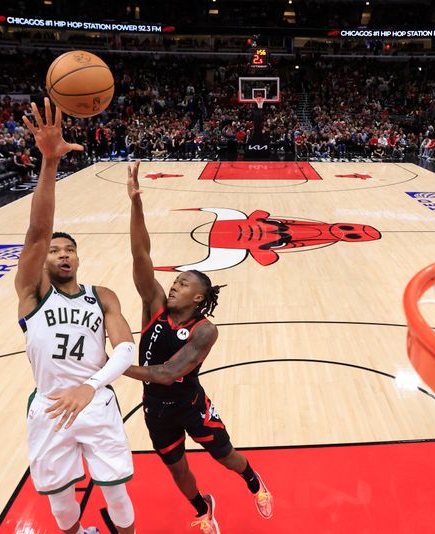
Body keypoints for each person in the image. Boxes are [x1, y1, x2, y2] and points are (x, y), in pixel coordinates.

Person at [123, 161, 274, 534]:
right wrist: (136, 204)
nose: (174, 284)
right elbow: (141, 255)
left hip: (192, 406)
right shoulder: (154, 306)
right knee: (178, 469)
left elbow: (168, 373)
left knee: (226, 458)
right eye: (176, 280)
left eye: (184, 282)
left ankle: (255, 481)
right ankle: (204, 507)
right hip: (156, 411)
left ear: (200, 296)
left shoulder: (206, 331)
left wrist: (113, 366)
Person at [14, 99, 137, 534]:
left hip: (97, 401)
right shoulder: (32, 295)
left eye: (69, 249)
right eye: (54, 250)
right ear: (43, 260)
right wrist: (49, 163)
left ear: (78, 257)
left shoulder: (101, 295)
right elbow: (37, 231)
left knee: (118, 495)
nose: (61, 253)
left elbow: (125, 348)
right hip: (49, 406)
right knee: (61, 503)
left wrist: (90, 386)